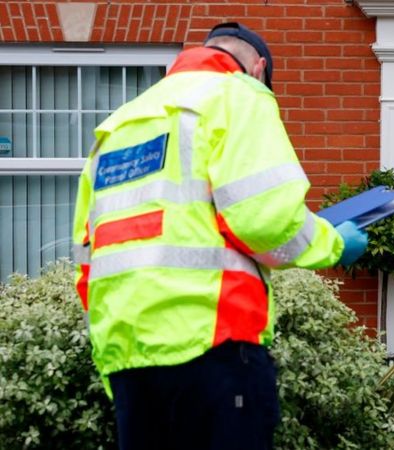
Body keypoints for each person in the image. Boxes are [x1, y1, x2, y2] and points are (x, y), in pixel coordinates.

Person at [71, 22, 368, 450]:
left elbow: (88, 257)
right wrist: (336, 243)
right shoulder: (239, 95)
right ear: (259, 68)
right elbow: (264, 220)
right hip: (215, 343)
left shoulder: (118, 126)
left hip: (127, 354)